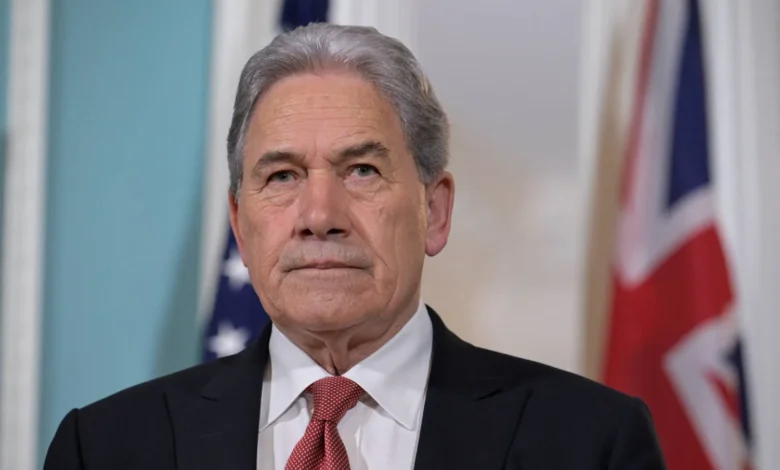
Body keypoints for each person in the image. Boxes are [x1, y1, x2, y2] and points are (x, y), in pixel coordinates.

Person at [44, 23, 666, 470]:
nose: (319, 217)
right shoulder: (105, 449)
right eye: (281, 176)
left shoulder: (590, 444)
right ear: (240, 224)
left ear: (435, 211)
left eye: (362, 170)